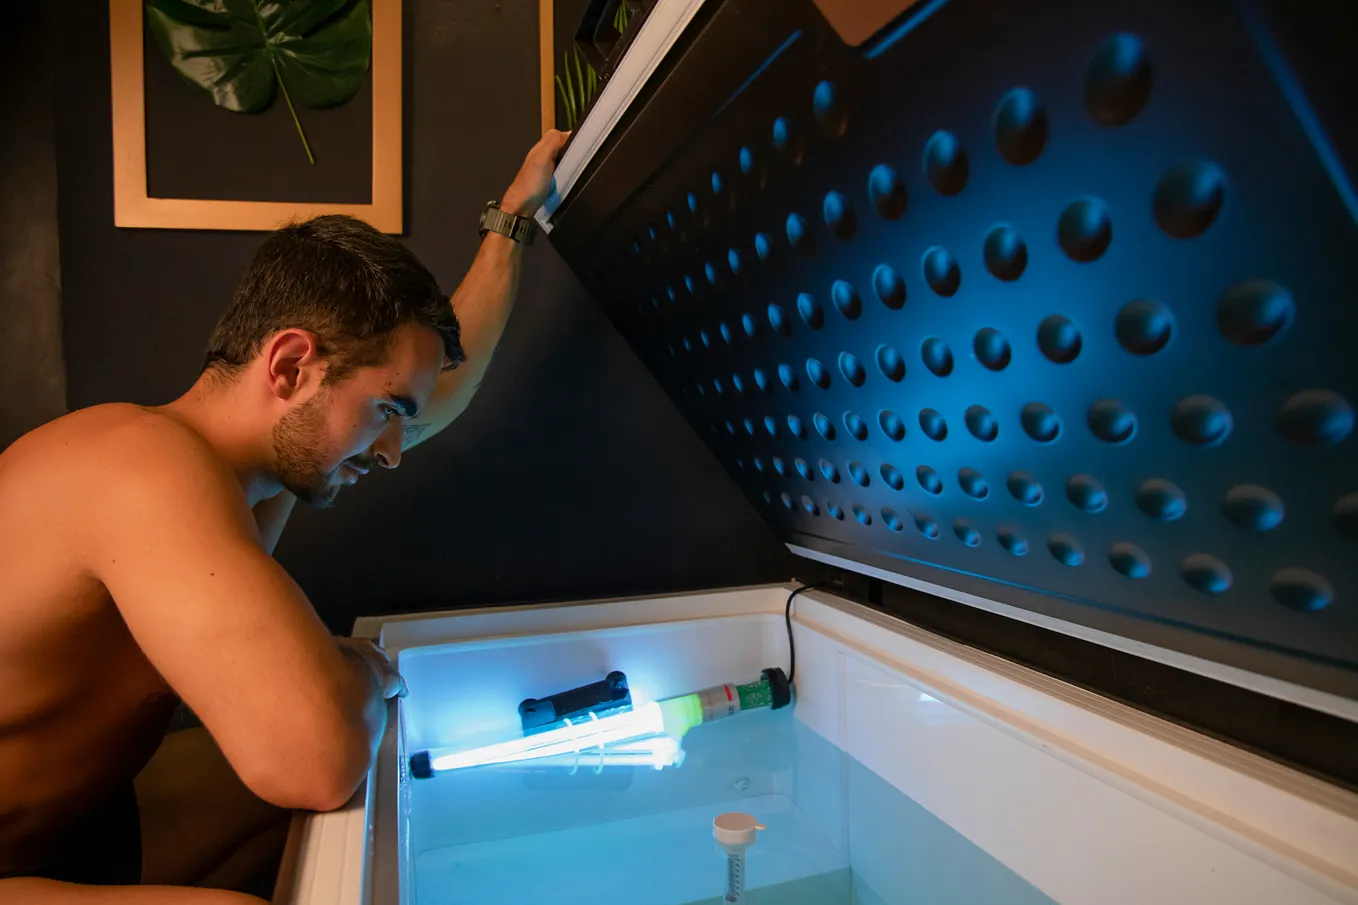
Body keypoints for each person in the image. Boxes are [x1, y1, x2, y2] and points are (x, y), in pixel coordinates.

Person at [0, 129, 569, 903]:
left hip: (82, 822)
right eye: (384, 413)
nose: (396, 449)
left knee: (357, 807)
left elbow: (435, 395)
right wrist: (358, 669)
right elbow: (316, 758)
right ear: (291, 364)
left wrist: (511, 221)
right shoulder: (141, 466)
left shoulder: (259, 473)